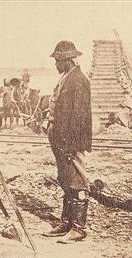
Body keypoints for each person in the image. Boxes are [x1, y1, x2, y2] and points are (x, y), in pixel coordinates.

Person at [44, 41, 92, 243]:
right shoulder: (66, 78)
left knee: (78, 182)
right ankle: (67, 223)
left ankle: (78, 228)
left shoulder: (78, 81)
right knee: (65, 180)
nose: (55, 64)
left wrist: (71, 146)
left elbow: (79, 117)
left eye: (57, 61)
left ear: (67, 60)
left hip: (71, 141)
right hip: (61, 139)